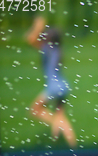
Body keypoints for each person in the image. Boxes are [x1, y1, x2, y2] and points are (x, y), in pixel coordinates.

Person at [26, 16, 77, 148]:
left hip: (54, 87)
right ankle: (68, 145)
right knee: (60, 115)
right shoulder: (57, 50)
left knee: (35, 110)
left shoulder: (47, 49)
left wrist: (38, 26)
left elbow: (30, 39)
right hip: (62, 85)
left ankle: (64, 135)